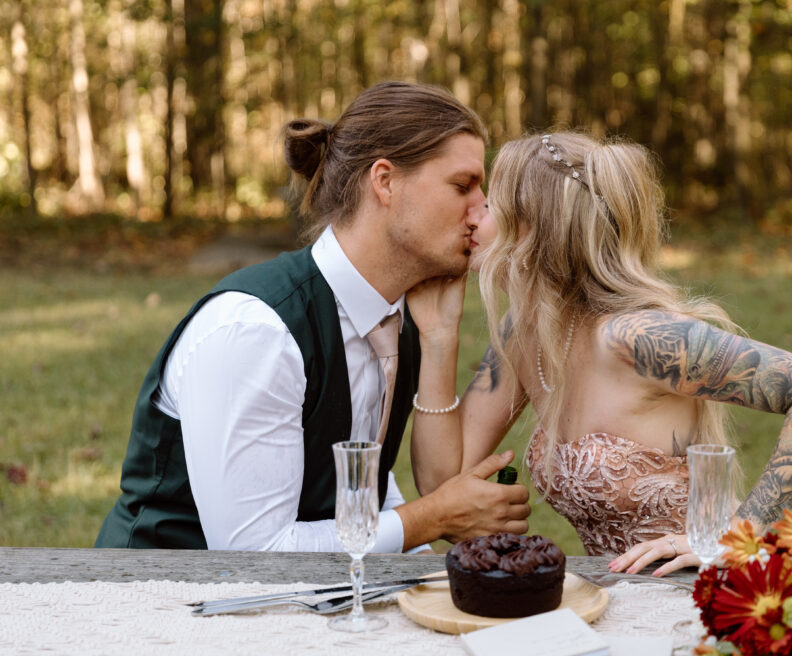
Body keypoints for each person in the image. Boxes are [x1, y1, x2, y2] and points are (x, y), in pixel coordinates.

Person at [95, 81, 530, 551]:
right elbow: (255, 550)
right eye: (462, 185)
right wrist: (435, 517)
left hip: (294, 606)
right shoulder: (256, 333)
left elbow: (365, 493)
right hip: (158, 598)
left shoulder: (399, 317)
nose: (481, 211)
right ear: (384, 181)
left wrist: (429, 564)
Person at [408, 131, 792, 575]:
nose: (472, 217)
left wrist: (739, 535)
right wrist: (439, 337)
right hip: (617, 597)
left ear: (530, 230)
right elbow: (442, 483)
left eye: (490, 207)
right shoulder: (524, 334)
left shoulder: (638, 336)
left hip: (707, 590)